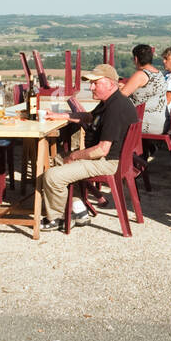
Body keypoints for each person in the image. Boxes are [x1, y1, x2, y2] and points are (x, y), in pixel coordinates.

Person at [41, 64, 138, 231]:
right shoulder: (111, 101)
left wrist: (75, 156)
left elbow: (102, 150)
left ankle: (57, 218)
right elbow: (88, 117)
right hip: (114, 158)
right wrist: (60, 116)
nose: (91, 87)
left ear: (110, 83)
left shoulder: (115, 108)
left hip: (107, 161)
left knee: (52, 176)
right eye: (91, 84)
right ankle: (78, 210)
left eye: (95, 83)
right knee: (58, 158)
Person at [118, 44, 167, 133]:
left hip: (145, 123)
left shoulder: (140, 75)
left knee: (109, 122)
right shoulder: (159, 74)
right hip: (161, 122)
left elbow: (119, 97)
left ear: (136, 59)